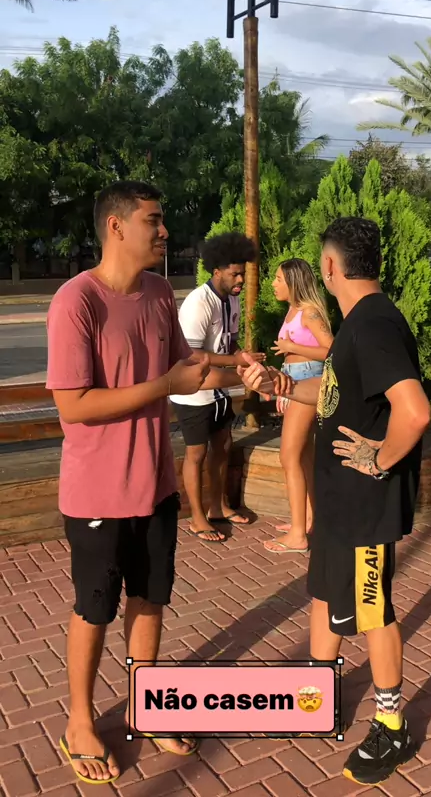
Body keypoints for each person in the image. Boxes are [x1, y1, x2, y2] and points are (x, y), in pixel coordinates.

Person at [46, 181, 248, 786]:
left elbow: (188, 366)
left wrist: (247, 372)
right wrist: (164, 386)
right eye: (153, 221)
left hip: (157, 486)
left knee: (150, 599)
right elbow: (74, 406)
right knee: (94, 608)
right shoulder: (77, 301)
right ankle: (79, 721)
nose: (164, 232)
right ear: (116, 226)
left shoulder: (160, 293)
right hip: (96, 492)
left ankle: (147, 704)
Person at [237, 216, 431, 786]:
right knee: (324, 595)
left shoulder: (373, 325)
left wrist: (381, 458)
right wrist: (281, 386)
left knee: (370, 611)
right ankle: (315, 698)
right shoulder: (355, 323)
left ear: (328, 265)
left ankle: (392, 727)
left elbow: (415, 411)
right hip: (338, 504)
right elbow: (334, 392)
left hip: (365, 506)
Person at [170, 231, 266, 543]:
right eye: (235, 274)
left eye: (243, 273)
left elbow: (230, 342)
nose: (241, 280)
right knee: (196, 453)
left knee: (223, 446)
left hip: (219, 391)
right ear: (216, 272)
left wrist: (243, 356)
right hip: (193, 392)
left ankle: (218, 507)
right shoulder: (198, 303)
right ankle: (196, 518)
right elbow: (190, 354)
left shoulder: (232, 298)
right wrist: (233, 362)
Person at [266, 259, 332, 554]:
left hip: (308, 381)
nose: (273, 283)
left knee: (288, 455)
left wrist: (293, 348)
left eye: (279, 279)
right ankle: (308, 520)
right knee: (303, 455)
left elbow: (332, 349)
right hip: (293, 379)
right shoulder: (293, 310)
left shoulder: (310, 312)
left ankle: (297, 536)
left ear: (294, 282)